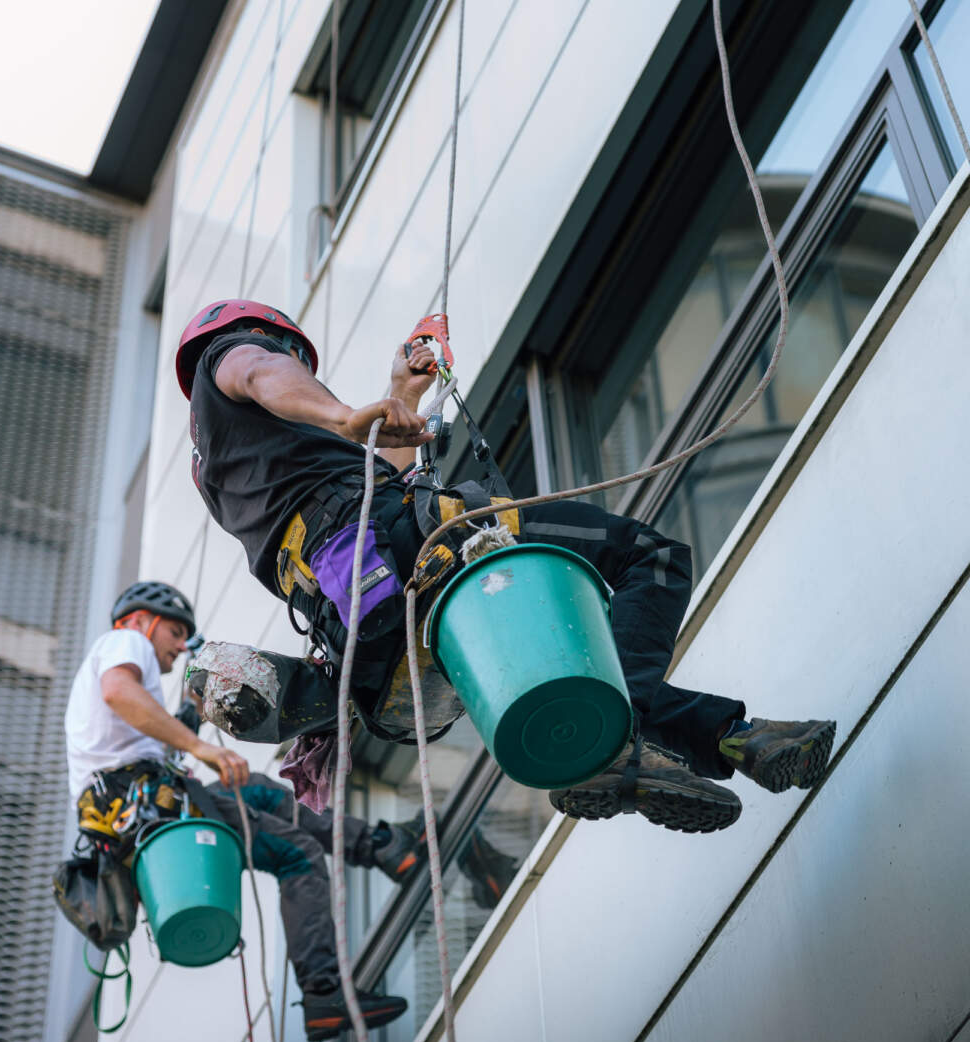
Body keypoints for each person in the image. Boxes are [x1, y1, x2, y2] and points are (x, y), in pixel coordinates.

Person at [175, 299, 836, 834]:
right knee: (650, 558)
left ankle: (730, 737)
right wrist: (345, 413)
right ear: (262, 338)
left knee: (568, 646)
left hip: (365, 614)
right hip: (407, 541)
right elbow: (267, 376)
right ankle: (674, 737)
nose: (283, 365)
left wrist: (400, 391)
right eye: (285, 353)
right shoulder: (234, 358)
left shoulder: (237, 469)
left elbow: (371, 485)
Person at [64, 579, 428, 1042]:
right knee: (297, 855)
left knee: (258, 789)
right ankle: (324, 994)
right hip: (146, 806)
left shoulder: (124, 690)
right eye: (174, 631)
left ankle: (384, 847)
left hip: (145, 802)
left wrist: (192, 710)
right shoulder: (124, 641)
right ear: (139, 620)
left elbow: (146, 730)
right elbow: (119, 692)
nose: (178, 645)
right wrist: (203, 749)